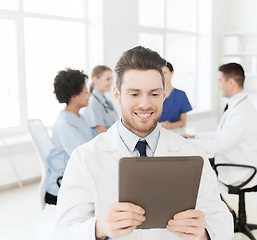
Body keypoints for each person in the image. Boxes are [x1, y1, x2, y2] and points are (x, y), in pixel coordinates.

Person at [53, 46, 233, 240]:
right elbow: (63, 233)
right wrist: (98, 227)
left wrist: (205, 234)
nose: (145, 104)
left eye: (154, 94)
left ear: (164, 95)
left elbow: (220, 218)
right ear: (117, 95)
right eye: (134, 94)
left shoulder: (192, 153)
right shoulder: (85, 157)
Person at [183, 63, 257, 189]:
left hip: (239, 169)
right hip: (232, 160)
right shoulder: (237, 105)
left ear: (231, 82)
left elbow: (217, 146)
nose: (219, 86)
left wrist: (189, 142)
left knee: (192, 173)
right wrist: (194, 136)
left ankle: (216, 206)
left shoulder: (241, 112)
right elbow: (219, 134)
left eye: (220, 81)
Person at [45, 68, 96, 205]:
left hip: (77, 176)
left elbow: (93, 142)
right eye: (85, 92)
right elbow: (82, 156)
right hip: (61, 185)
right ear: (74, 96)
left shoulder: (79, 117)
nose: (89, 95)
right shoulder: (65, 123)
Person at [82, 65, 118, 134]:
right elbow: (101, 133)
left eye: (111, 79)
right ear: (95, 80)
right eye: (107, 79)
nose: (111, 82)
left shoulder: (108, 102)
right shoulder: (92, 103)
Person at [159, 62, 192, 129]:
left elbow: (183, 121)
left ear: (172, 73)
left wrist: (170, 125)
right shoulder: (153, 95)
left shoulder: (181, 95)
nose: (162, 76)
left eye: (165, 73)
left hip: (175, 132)